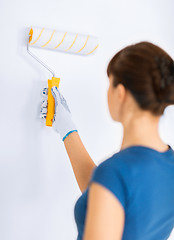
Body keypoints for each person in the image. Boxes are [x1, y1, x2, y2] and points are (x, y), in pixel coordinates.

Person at [40, 41, 174, 240]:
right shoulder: (168, 165)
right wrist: (67, 129)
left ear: (120, 93)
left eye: (109, 84)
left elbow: (111, 186)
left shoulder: (115, 172)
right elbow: (108, 197)